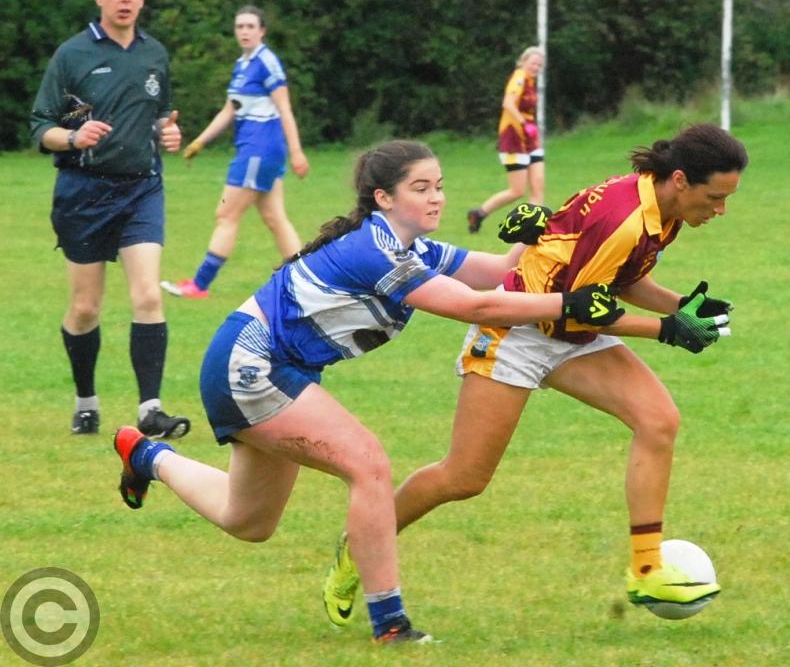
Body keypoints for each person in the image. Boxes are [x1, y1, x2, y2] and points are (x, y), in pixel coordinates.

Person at [112, 140, 622, 644]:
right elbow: (477, 307)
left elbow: (495, 274)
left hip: (266, 366)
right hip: (252, 364)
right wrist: (568, 305)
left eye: (439, 187)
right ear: (383, 198)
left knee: (247, 521)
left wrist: (531, 239)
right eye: (420, 188)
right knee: (369, 464)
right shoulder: (372, 249)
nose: (436, 198)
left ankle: (146, 456)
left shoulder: (413, 247)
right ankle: (390, 625)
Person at [322, 124, 749, 624]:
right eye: (715, 197)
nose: (719, 210)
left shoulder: (664, 209)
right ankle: (362, 543)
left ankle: (646, 569)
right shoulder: (627, 216)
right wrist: (667, 328)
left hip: (568, 331)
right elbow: (578, 310)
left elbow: (621, 279)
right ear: (680, 179)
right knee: (463, 477)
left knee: (658, 420)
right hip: (516, 330)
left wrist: (683, 306)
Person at [30, 0, 190, 439]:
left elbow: (161, 115)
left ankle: (151, 410)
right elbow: (41, 127)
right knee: (85, 309)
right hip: (83, 192)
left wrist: (169, 133)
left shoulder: (154, 54)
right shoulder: (72, 55)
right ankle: (86, 401)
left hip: (142, 188)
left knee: (146, 295)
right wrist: (73, 137)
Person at [161, 5, 309, 300]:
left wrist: (297, 152)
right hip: (257, 150)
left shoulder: (267, 62)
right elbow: (231, 109)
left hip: (259, 150)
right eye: (239, 26)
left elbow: (284, 109)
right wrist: (199, 142)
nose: (244, 31)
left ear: (262, 31)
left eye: (250, 26)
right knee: (275, 218)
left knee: (226, 214)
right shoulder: (242, 65)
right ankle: (309, 281)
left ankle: (199, 286)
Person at [467, 46, 546, 233]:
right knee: (517, 191)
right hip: (514, 140)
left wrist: (533, 130)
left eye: (540, 65)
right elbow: (508, 104)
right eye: (534, 63)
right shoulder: (519, 77)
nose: (536, 67)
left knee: (538, 186)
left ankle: (534, 228)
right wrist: (524, 124)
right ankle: (478, 214)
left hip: (531, 141)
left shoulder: (530, 82)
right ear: (524, 61)